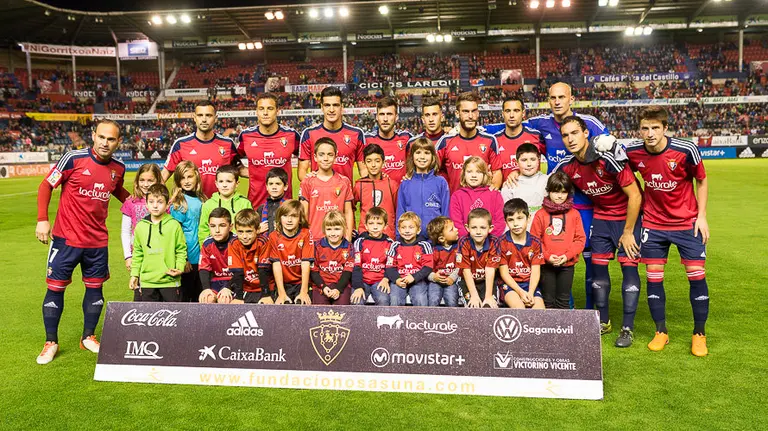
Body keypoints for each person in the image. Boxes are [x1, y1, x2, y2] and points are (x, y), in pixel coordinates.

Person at [487, 82, 609, 309]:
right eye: (553, 97)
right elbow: (509, 125)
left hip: (590, 203)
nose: (557, 101)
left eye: (562, 97)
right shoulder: (541, 125)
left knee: (592, 261)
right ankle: (565, 310)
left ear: (571, 98)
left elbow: (609, 146)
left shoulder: (590, 124)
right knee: (557, 261)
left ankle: (596, 315)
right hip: (557, 205)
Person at [35, 119, 129, 365]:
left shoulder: (118, 168)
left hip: (97, 243)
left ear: (118, 142)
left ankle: (88, 336)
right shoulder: (73, 159)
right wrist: (42, 220)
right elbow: (46, 185)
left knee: (95, 289)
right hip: (66, 239)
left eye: (111, 139)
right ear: (93, 136)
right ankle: (51, 342)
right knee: (55, 288)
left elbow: (120, 193)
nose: (105, 143)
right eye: (102, 137)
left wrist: (145, 207)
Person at [625, 106, 710, 357]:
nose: (650, 133)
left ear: (665, 128)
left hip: (687, 224)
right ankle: (661, 331)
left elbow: (702, 180)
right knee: (654, 278)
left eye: (655, 128)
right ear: (639, 129)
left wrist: (702, 216)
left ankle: (699, 334)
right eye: (645, 128)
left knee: (696, 277)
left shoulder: (686, 150)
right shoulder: (632, 152)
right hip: (653, 225)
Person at [555, 116, 643, 345]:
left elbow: (635, 195)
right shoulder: (568, 166)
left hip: (627, 219)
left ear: (586, 133)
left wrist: (628, 231)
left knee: (629, 272)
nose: (570, 139)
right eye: (565, 135)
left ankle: (627, 328)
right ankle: (603, 322)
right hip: (601, 220)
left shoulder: (607, 159)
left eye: (574, 133)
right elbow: (553, 188)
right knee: (599, 275)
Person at [162, 100, 242, 198]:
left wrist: (264, 169)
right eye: (200, 115)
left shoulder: (228, 144)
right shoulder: (180, 144)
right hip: (190, 208)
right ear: (194, 118)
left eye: (208, 115)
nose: (204, 119)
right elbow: (164, 175)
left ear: (216, 118)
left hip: (219, 207)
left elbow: (238, 169)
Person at [531, 172, 586, 309]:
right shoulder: (540, 214)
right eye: (555, 192)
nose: (559, 196)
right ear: (548, 191)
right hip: (546, 265)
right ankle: (548, 330)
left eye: (563, 192)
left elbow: (580, 240)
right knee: (548, 301)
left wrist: (566, 256)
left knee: (563, 300)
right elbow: (535, 240)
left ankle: (562, 329)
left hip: (567, 265)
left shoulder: (574, 214)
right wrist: (548, 256)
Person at [237, 93, 299, 208]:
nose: (265, 113)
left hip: (284, 208)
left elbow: (306, 158)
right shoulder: (246, 136)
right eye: (261, 109)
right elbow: (231, 159)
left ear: (278, 111)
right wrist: (249, 172)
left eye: (270, 108)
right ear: (256, 111)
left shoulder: (291, 135)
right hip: (255, 207)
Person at [129, 184, 187, 302]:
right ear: (146, 204)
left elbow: (181, 249)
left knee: (173, 319)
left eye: (160, 202)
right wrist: (134, 275)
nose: (155, 206)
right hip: (147, 282)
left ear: (167, 205)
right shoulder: (140, 226)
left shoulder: (174, 225)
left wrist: (180, 268)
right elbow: (138, 253)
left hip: (170, 281)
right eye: (151, 202)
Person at [435, 92, 501, 193]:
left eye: (474, 111)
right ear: (457, 113)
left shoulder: (490, 141)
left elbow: (496, 172)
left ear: (478, 113)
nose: (470, 116)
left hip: (481, 206)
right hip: (455, 205)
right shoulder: (445, 142)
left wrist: (490, 195)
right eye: (465, 111)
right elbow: (432, 171)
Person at [298, 86, 366, 182]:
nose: (331, 110)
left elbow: (363, 170)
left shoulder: (356, 134)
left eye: (335, 105)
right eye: (327, 105)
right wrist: (314, 184)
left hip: (345, 196)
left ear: (342, 107)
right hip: (318, 195)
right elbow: (302, 171)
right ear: (322, 107)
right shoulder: (309, 134)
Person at [490, 199, 545, 309]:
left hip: (530, 285)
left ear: (528, 218)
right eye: (511, 220)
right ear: (506, 222)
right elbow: (504, 274)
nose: (515, 224)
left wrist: (530, 292)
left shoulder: (535, 242)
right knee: (519, 308)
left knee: (540, 311)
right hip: (509, 286)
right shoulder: (501, 242)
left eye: (520, 218)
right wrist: (520, 292)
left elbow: (535, 272)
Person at [120, 163, 162, 301]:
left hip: (159, 255)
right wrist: (128, 256)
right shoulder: (130, 202)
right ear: (137, 181)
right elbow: (125, 231)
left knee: (159, 293)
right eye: (142, 180)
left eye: (150, 180)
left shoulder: (163, 202)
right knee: (140, 294)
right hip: (138, 256)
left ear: (158, 180)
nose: (145, 184)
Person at [299, 137, 354, 242]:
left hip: (338, 238)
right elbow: (303, 213)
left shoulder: (344, 182)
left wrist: (348, 236)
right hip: (314, 238)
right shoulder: (307, 182)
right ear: (315, 157)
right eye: (321, 154)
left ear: (335, 157)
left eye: (330, 155)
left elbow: (348, 212)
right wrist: (304, 237)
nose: (325, 158)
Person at [262, 200, 314, 305]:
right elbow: (276, 265)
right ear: (279, 218)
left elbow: (305, 263)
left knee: (303, 306)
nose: (289, 220)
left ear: (300, 219)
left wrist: (304, 291)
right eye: (285, 216)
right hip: (283, 284)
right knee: (282, 308)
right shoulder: (273, 236)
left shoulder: (306, 234)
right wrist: (281, 293)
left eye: (294, 216)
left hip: (301, 283)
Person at [396, 137, 450, 239]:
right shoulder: (405, 184)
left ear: (433, 157)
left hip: (435, 240)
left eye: (426, 153)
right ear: (412, 156)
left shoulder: (441, 182)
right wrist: (399, 238)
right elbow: (400, 213)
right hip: (411, 241)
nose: (422, 157)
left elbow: (445, 213)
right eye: (418, 152)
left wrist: (444, 236)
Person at [169, 161, 206, 302]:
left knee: (201, 298)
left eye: (189, 176)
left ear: (196, 176)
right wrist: (183, 259)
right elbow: (176, 234)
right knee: (185, 299)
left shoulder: (202, 199)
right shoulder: (180, 203)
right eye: (182, 178)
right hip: (188, 259)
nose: (186, 181)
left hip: (202, 257)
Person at [492, 95, 545, 184]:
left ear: (523, 113)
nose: (512, 115)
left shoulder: (536, 136)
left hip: (533, 194)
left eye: (516, 111)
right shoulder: (494, 141)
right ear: (502, 114)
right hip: (506, 194)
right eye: (508, 111)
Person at [385, 212, 434, 306]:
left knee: (420, 298)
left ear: (418, 230)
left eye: (411, 227)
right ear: (399, 230)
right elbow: (390, 266)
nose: (407, 231)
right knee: (395, 298)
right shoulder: (395, 245)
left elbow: (428, 267)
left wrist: (414, 277)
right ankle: (396, 319)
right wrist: (396, 279)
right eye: (403, 228)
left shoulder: (424, 245)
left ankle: (421, 320)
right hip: (400, 280)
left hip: (418, 280)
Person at [450, 157, 505, 238]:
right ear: (464, 174)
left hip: (491, 243)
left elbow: (500, 222)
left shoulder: (494, 194)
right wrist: (470, 241)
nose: (474, 175)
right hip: (466, 243)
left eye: (478, 172)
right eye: (469, 172)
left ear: (484, 174)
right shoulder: (457, 196)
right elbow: (456, 223)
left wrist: (488, 240)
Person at [198, 165, 252, 244]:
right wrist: (205, 249)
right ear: (216, 183)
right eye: (221, 181)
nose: (224, 185)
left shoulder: (245, 203)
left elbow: (249, 227)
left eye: (229, 181)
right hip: (214, 250)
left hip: (238, 248)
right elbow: (203, 230)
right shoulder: (208, 204)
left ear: (237, 183)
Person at [456, 208, 499, 308]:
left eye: (483, 228)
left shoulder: (494, 241)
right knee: (473, 306)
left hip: (487, 281)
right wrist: (474, 296)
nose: (478, 231)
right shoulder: (463, 242)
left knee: (489, 306)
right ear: (467, 228)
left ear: (490, 228)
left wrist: (488, 296)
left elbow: (490, 269)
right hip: (467, 281)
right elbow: (466, 270)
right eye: (474, 227)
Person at [354, 143, 399, 239]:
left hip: (388, 236)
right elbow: (349, 208)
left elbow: (398, 210)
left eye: (377, 161)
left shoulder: (392, 185)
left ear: (383, 162)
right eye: (369, 161)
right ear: (364, 163)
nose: (373, 165)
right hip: (365, 236)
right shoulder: (359, 185)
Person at [351, 207, 394, 305]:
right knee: (356, 301)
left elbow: (391, 266)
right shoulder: (359, 242)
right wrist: (358, 287)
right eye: (371, 223)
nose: (375, 227)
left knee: (384, 300)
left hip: (380, 281)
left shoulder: (390, 244)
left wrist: (385, 279)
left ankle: (381, 320)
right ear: (366, 226)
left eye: (379, 224)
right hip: (362, 280)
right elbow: (356, 267)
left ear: (385, 226)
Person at [363, 96, 412, 182]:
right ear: (376, 117)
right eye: (382, 114)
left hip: (402, 193)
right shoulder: (366, 139)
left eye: (389, 114)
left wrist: (411, 174)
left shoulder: (407, 137)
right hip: (377, 192)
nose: (385, 119)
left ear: (396, 117)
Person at [228, 209, 272, 304]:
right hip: (246, 288)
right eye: (240, 232)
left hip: (266, 288)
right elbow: (237, 272)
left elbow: (263, 270)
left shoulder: (263, 242)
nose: (244, 236)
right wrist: (239, 297)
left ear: (257, 230)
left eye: (249, 232)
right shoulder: (233, 244)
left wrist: (266, 295)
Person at [311, 211, 355, 305]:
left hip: (341, 285)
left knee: (342, 308)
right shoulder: (317, 246)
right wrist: (323, 286)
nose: (333, 233)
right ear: (324, 230)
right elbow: (314, 271)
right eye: (329, 229)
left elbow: (347, 272)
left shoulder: (349, 247)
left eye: (337, 229)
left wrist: (338, 289)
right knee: (319, 310)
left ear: (344, 229)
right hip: (321, 285)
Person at [500, 143, 548, 230]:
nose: (529, 164)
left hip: (543, 230)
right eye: (524, 160)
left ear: (539, 160)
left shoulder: (547, 181)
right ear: (516, 162)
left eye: (533, 159)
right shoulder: (510, 185)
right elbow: (506, 216)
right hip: (519, 234)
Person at [198, 208, 237, 303]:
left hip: (234, 281)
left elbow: (241, 271)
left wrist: (228, 287)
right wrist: (206, 289)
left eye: (222, 226)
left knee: (224, 299)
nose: (217, 230)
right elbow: (204, 269)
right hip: (216, 281)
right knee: (207, 298)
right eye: (213, 226)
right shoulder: (207, 244)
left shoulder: (237, 243)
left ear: (231, 226)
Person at [426, 216, 460, 307]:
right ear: (441, 238)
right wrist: (434, 277)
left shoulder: (459, 248)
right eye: (452, 229)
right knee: (433, 298)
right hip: (435, 281)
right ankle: (431, 320)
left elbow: (460, 266)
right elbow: (427, 268)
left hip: (451, 281)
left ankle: (454, 320)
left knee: (452, 298)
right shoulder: (433, 251)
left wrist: (452, 278)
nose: (457, 229)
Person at [254, 167, 289, 235]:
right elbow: (252, 230)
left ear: (285, 186)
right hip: (265, 243)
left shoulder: (289, 207)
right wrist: (257, 230)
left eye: (278, 184)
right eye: (271, 184)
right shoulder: (261, 209)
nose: (274, 187)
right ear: (266, 186)